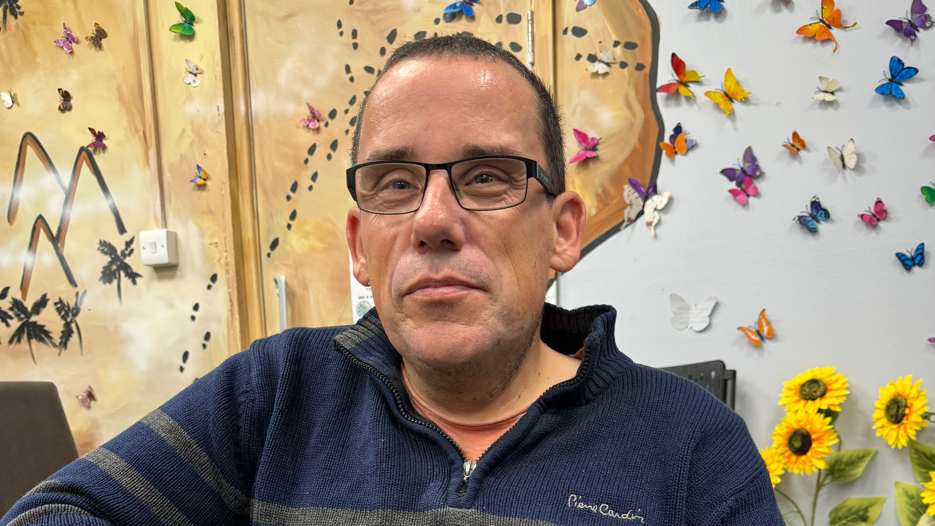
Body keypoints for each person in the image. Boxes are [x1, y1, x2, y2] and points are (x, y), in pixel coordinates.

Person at [2, 35, 782, 525]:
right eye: (395, 184)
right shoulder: (274, 394)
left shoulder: (692, 445)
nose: (433, 220)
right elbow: (54, 514)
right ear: (358, 245)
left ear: (562, 230)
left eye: (485, 177)